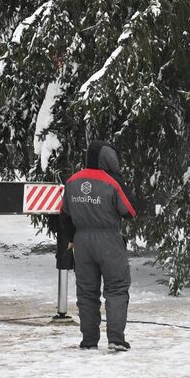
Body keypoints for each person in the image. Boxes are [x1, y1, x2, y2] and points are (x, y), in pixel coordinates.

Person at [61, 139, 137, 350]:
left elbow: (64, 215)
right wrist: (119, 180)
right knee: (117, 288)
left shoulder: (72, 181)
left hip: (82, 242)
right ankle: (115, 338)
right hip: (109, 240)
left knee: (86, 292)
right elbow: (130, 210)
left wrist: (73, 237)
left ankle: (89, 340)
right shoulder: (112, 182)